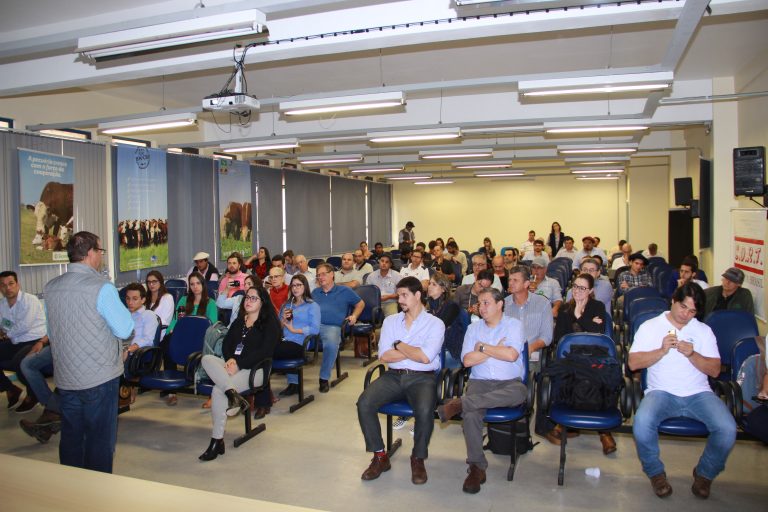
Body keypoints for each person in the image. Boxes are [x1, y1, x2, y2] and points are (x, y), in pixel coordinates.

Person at [629, 283, 736, 499]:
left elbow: (715, 370)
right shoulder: (650, 326)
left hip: (699, 393)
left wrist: (692, 355)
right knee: (641, 423)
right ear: (673, 301)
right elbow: (633, 364)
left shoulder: (703, 331)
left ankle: (705, 473)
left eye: (692, 311)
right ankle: (656, 473)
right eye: (683, 307)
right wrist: (661, 350)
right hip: (661, 392)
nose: (686, 314)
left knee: (727, 429)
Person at [44, 231, 134, 473]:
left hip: (65, 377)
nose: (101, 257)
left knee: (72, 437)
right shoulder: (101, 288)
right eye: (100, 251)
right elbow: (125, 328)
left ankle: (73, 487)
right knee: (99, 440)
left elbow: (51, 332)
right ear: (91, 253)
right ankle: (97, 490)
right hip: (99, 378)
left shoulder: (51, 288)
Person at [356, 276, 445, 485]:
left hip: (422, 378)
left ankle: (418, 458)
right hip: (393, 376)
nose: (400, 299)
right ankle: (380, 456)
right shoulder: (391, 321)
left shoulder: (435, 323)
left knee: (425, 410)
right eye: (398, 295)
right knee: (364, 403)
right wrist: (413, 351)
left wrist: (398, 345)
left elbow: (426, 357)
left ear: (418, 295)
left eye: (404, 295)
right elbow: (384, 356)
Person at [437, 287, 526, 494]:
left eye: (486, 303)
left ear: (500, 304)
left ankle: (460, 403)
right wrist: (496, 349)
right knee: (471, 415)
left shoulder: (514, 325)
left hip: (509, 383)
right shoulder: (473, 329)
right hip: (480, 382)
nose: (481, 307)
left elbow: (511, 356)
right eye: (479, 303)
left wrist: (483, 348)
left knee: (520, 392)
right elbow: (467, 360)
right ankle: (476, 467)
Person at [199, 285, 280, 461]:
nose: (248, 301)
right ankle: (232, 394)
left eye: (253, 298)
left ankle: (217, 441)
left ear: (262, 302)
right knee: (207, 359)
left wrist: (239, 364)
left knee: (218, 390)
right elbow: (227, 344)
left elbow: (265, 352)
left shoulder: (269, 324)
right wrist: (230, 359)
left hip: (256, 370)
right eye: (247, 298)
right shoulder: (239, 321)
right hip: (231, 367)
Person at [550, 273, 616, 454]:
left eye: (582, 288)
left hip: (595, 356)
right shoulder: (565, 309)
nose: (577, 291)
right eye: (575, 286)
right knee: (568, 375)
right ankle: (564, 420)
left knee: (599, 378)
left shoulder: (597, 306)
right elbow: (560, 338)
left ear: (591, 290)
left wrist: (579, 317)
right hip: (570, 358)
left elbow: (598, 333)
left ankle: (605, 432)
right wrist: (587, 323)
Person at [163, 271, 218, 406]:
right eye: (192, 284)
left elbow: (212, 324)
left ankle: (211, 392)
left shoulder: (210, 303)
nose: (195, 287)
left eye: (198, 283)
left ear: (203, 285)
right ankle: (171, 392)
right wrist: (170, 330)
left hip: (201, 338)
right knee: (167, 342)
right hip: (184, 337)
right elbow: (176, 319)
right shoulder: (183, 300)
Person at [312, 263, 365, 392]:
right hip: (313, 325)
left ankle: (324, 378)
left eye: (323, 274)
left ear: (332, 274)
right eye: (318, 275)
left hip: (332, 326)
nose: (320, 277)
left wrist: (354, 316)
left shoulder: (344, 291)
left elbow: (360, 303)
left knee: (331, 344)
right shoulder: (315, 292)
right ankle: (293, 382)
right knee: (292, 338)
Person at [0, 270, 48, 412]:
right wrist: (4, 332)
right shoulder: (2, 304)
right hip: (15, 340)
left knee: (19, 362)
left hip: (35, 340)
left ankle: (34, 395)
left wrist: (5, 334)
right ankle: (10, 388)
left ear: (18, 284)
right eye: (3, 285)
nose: (8, 288)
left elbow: (24, 326)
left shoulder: (30, 300)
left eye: (11, 283)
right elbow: (4, 325)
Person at [276, 274, 321, 397]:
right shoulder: (286, 305)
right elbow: (278, 328)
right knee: (269, 348)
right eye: (293, 286)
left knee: (270, 350)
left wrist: (294, 330)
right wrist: (283, 320)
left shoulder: (312, 306)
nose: (295, 288)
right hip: (285, 341)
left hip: (301, 342)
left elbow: (315, 329)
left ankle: (293, 384)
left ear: (305, 286)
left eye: (298, 285)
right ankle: (293, 384)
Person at [503, 266, 552, 370]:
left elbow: (547, 336)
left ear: (526, 284)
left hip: (532, 354)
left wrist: (531, 347)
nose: (511, 283)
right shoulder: (503, 304)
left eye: (515, 280)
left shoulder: (543, 303)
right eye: (509, 280)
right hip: (507, 355)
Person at [122, 283, 160, 403]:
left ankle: (123, 394)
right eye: (128, 298)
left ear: (143, 300)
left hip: (139, 353)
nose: (130, 302)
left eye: (134, 299)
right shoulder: (123, 314)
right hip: (123, 348)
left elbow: (148, 339)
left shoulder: (148, 315)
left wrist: (129, 349)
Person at [425, 273, 462, 368]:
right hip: (434, 346)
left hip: (449, 349)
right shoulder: (429, 305)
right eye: (429, 283)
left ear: (443, 289)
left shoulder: (452, 306)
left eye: (434, 284)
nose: (429, 287)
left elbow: (438, 328)